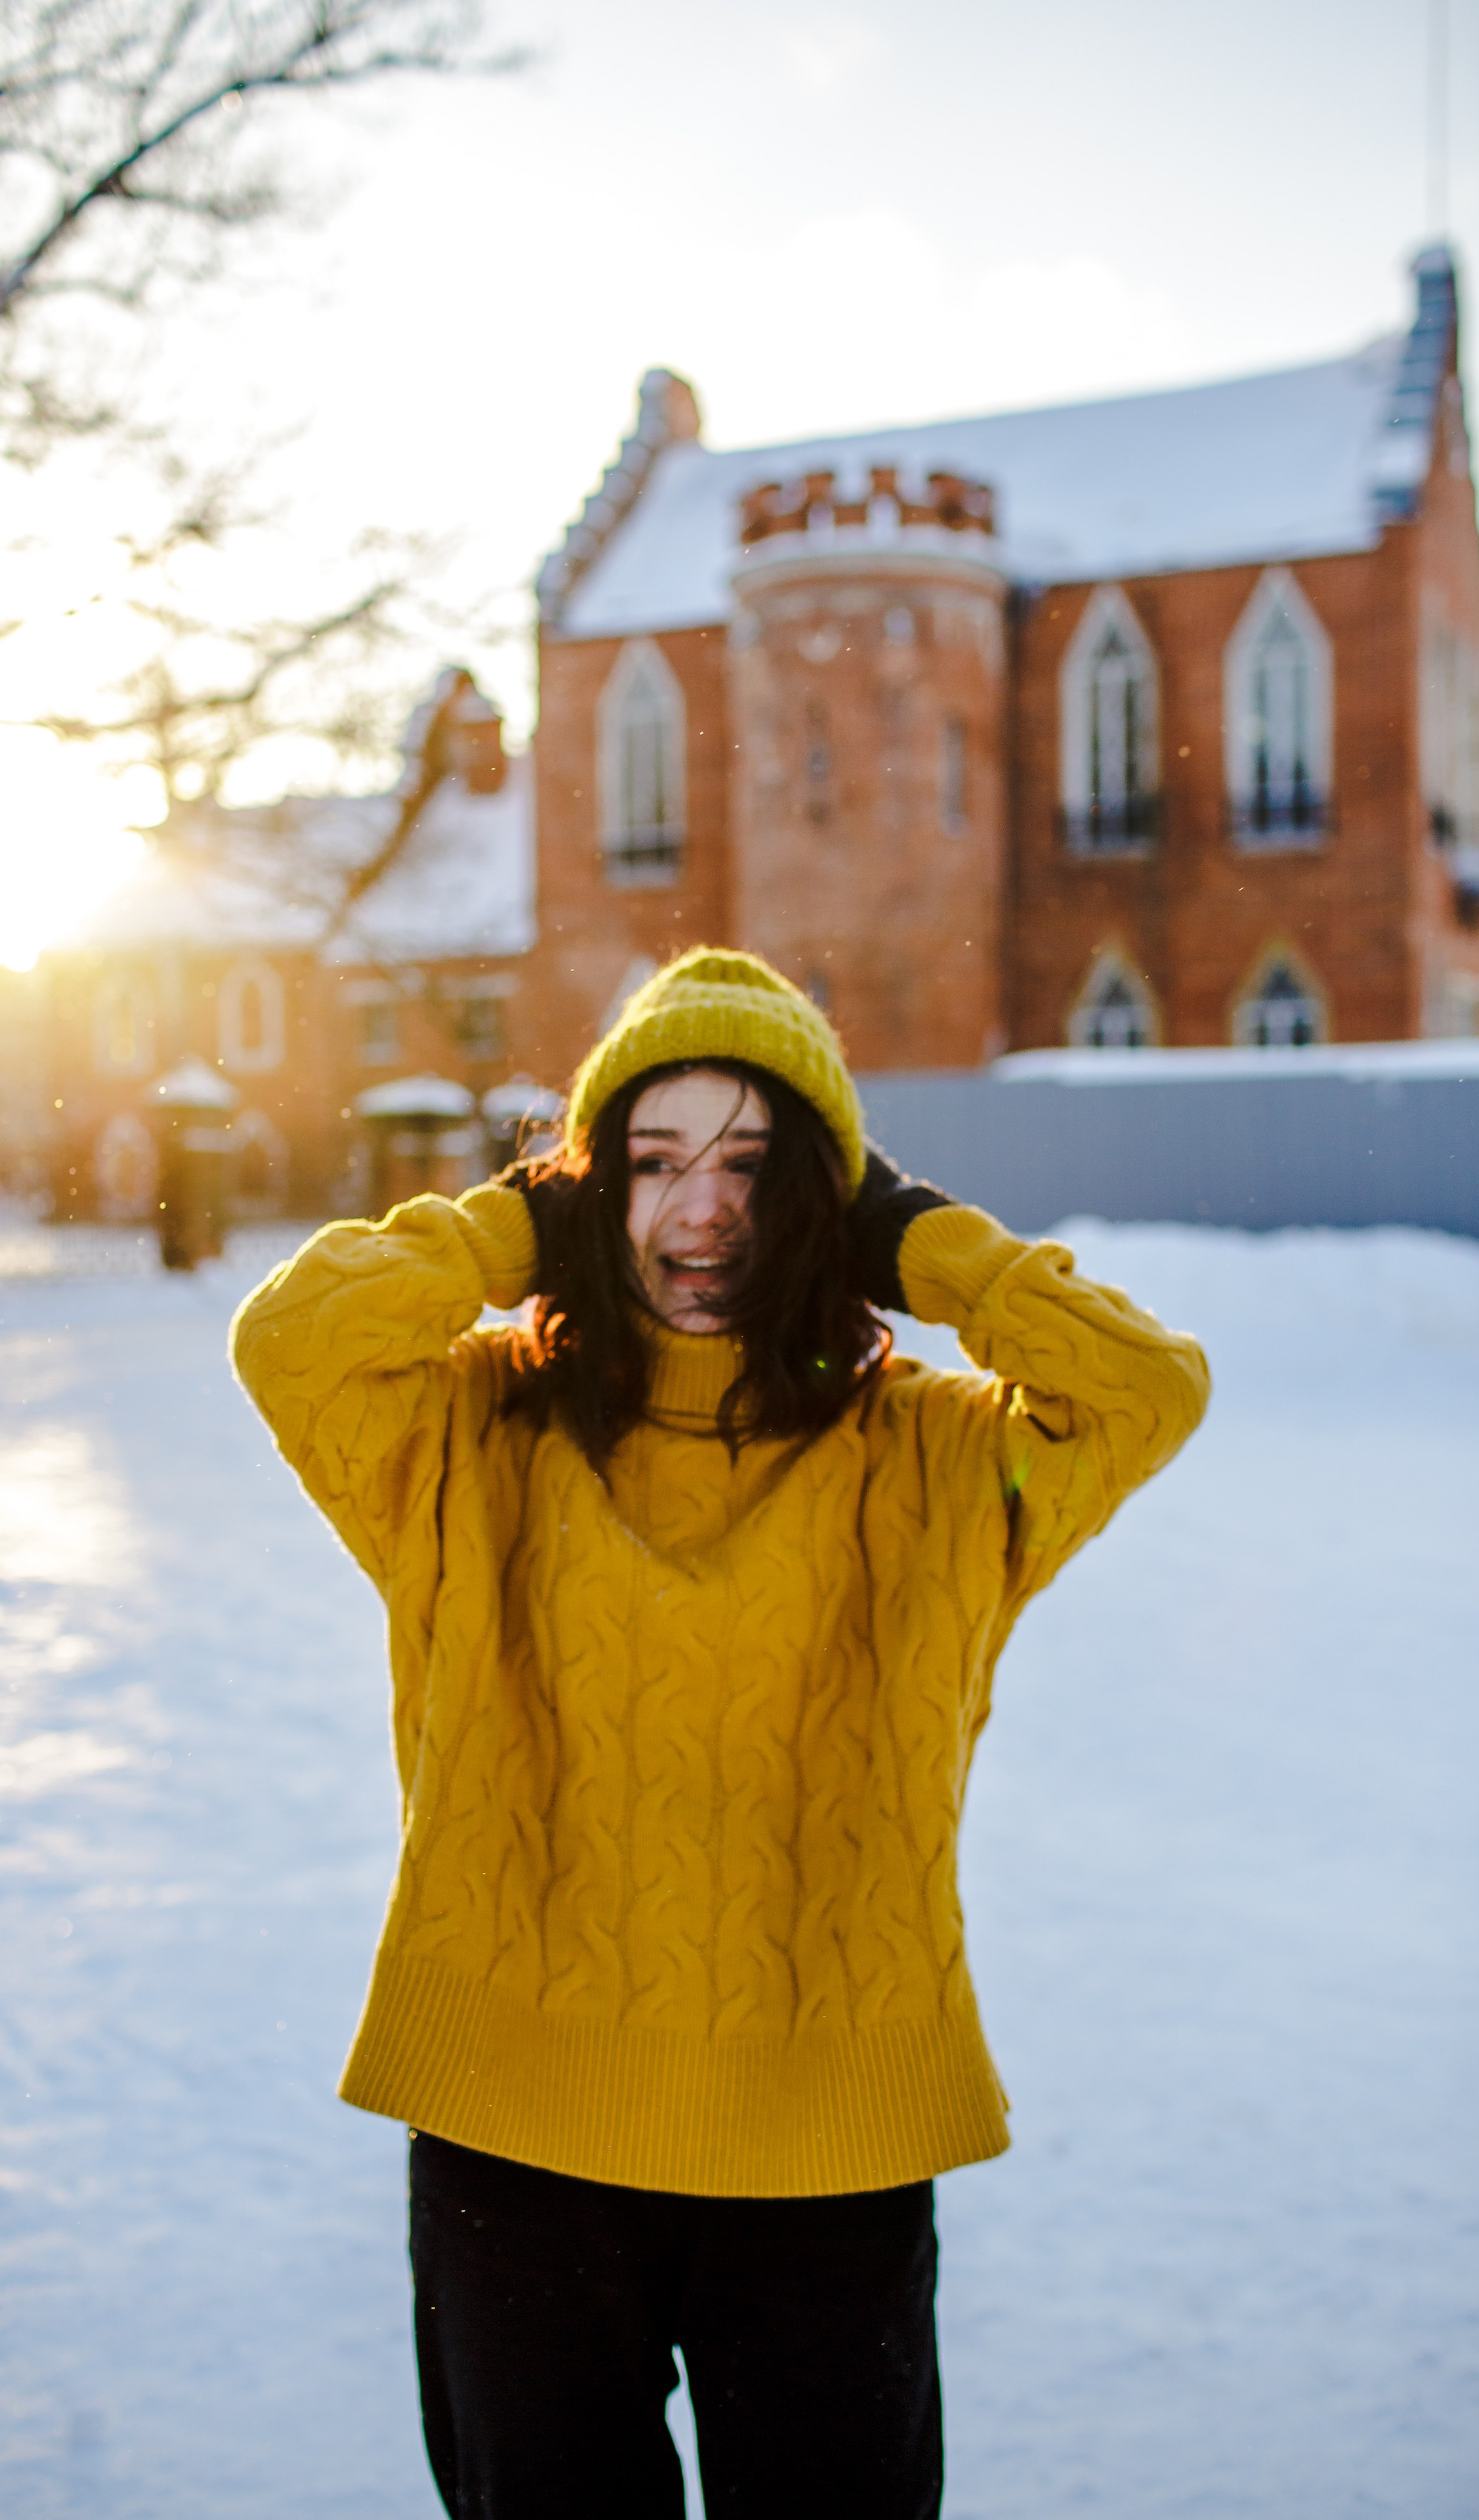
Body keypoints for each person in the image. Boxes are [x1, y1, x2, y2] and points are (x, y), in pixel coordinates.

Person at [230, 948, 1210, 2520]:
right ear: (584, 1187)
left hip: (826, 2157)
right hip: (515, 2151)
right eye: (650, 1163)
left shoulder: (940, 1466)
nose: (703, 1215)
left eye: (756, 1168)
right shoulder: (466, 1438)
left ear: (829, 1202)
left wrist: (922, 1247)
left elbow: (1145, 1388)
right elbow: (290, 1341)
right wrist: (508, 1225)